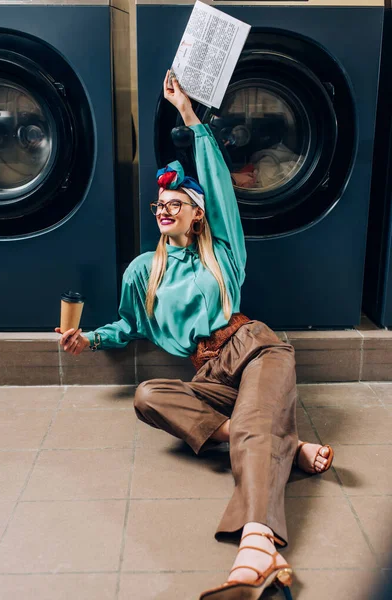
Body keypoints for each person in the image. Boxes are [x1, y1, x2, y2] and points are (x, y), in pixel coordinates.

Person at [55, 71, 334, 600]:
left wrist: (187, 113)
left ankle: (255, 549)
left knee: (251, 420)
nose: (163, 209)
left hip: (254, 348)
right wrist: (87, 340)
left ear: (199, 213)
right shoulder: (142, 271)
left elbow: (220, 182)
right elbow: (130, 326)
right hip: (208, 377)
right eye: (159, 205)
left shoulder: (223, 252)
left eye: (174, 204)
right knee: (148, 395)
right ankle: (283, 443)